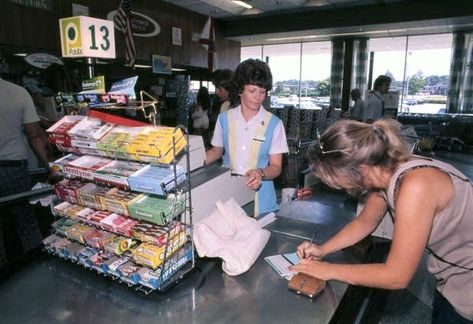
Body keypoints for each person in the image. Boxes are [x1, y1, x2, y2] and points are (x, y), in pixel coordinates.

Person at [290, 119, 473, 323]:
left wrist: (328, 270)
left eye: (335, 178)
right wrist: (323, 250)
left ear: (361, 168)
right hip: (451, 275)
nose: (337, 186)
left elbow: (396, 276)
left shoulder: (415, 186)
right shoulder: (388, 172)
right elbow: (365, 223)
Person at [205, 59, 289, 216]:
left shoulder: (274, 124)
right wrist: (190, 162)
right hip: (228, 198)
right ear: (240, 90)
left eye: (262, 91)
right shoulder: (224, 119)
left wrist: (260, 173)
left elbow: (276, 167)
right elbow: (216, 152)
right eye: (252, 91)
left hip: (261, 203)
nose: (258, 97)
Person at [0, 77, 51, 267]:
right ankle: (38, 268)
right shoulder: (17, 92)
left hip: (13, 165)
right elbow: (34, 135)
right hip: (13, 167)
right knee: (26, 222)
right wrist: (50, 167)